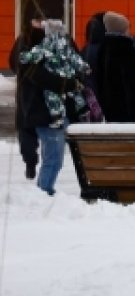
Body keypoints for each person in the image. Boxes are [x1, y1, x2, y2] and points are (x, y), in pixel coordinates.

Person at [18, 20, 89, 196]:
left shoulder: (50, 49)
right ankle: (44, 192)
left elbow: (76, 64)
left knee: (53, 158)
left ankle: (43, 191)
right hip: (46, 115)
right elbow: (50, 81)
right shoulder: (36, 55)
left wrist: (75, 78)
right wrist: (71, 83)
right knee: (53, 159)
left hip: (53, 113)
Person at [9, 15, 44, 179]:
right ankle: (42, 165)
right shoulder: (54, 41)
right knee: (45, 128)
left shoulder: (23, 40)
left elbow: (13, 62)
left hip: (27, 92)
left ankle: (31, 162)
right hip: (46, 92)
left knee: (26, 127)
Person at [94, 11, 135, 122]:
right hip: (126, 107)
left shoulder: (103, 46)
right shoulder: (125, 47)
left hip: (109, 104)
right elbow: (131, 81)